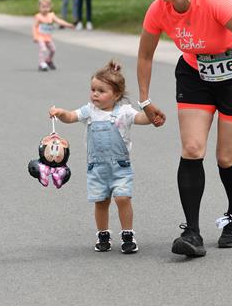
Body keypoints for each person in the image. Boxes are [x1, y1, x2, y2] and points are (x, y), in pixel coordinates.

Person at [137, 0, 232, 258]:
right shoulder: (158, 10)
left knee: (226, 157)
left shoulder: (213, 2)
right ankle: (192, 232)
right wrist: (145, 100)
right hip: (195, 75)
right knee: (193, 149)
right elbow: (145, 55)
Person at [49, 60, 154, 253]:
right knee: (101, 201)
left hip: (120, 167)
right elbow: (71, 117)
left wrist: (152, 115)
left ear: (116, 95)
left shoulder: (124, 112)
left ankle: (128, 234)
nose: (95, 94)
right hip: (97, 168)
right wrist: (61, 113)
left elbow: (141, 118)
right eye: (93, 90)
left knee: (123, 198)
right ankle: (103, 234)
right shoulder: (89, 111)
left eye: (101, 91)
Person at [32, 0, 74, 72]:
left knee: (53, 50)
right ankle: (42, 63)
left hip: (48, 37)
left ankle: (48, 60)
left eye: (47, 7)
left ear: (50, 7)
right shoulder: (38, 17)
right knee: (43, 49)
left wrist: (68, 25)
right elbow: (34, 27)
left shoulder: (51, 15)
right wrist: (35, 36)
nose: (45, 9)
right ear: (39, 7)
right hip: (40, 36)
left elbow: (59, 21)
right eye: (43, 7)